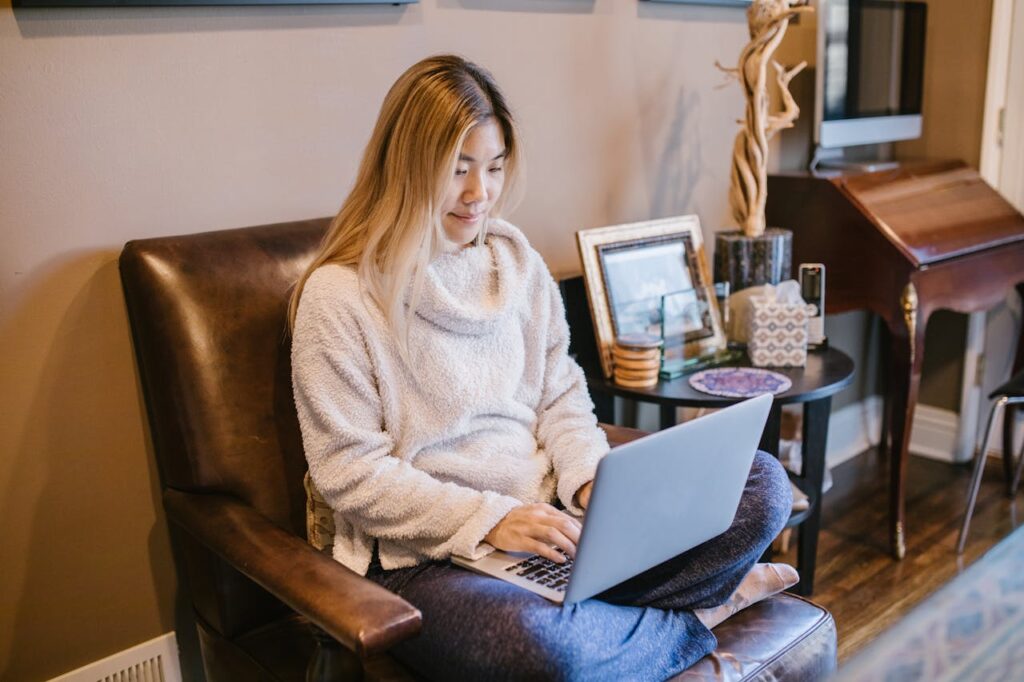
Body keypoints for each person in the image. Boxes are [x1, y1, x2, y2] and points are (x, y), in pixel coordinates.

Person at [289, 54, 796, 681]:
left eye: (494, 167)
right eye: (458, 169)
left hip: (554, 520)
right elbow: (349, 474)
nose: (480, 194)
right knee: (537, 651)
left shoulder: (516, 264)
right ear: (407, 166)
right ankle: (699, 612)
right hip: (426, 555)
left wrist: (588, 482)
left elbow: (562, 398)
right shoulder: (338, 297)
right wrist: (494, 520)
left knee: (761, 485)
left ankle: (606, 614)